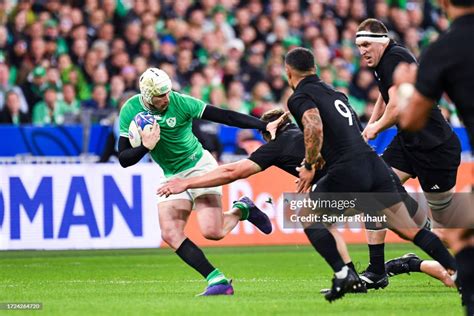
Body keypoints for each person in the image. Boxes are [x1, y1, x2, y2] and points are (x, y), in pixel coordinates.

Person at [157, 107, 454, 289]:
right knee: (413, 226)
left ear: (269, 132)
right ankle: (387, 268)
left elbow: (233, 171)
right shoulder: (309, 132)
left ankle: (371, 271)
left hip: (358, 180)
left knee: (321, 219)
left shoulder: (277, 144)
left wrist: (187, 183)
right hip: (374, 173)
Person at [283, 47, 457, 302]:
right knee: (410, 230)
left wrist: (309, 166)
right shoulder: (336, 93)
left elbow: (313, 124)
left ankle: (345, 275)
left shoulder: (299, 96)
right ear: (315, 69)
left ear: (289, 72)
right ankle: (458, 272)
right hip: (374, 165)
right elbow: (342, 132)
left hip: (348, 169)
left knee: (307, 215)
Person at [118, 67, 285, 296]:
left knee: (212, 231)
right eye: (160, 95)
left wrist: (262, 125)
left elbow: (225, 116)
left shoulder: (182, 102)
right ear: (147, 96)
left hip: (199, 166)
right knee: (170, 233)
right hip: (171, 175)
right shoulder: (130, 110)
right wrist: (145, 147)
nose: (167, 97)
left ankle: (241, 209)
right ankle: (217, 280)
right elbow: (124, 159)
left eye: (168, 92)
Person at [355, 18, 461, 289]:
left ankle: (412, 263)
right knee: (373, 191)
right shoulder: (384, 62)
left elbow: (400, 106)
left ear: (382, 41)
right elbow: (386, 95)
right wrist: (371, 122)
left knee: (443, 232)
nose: (362, 51)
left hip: (435, 148)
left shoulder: (396, 57)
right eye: (358, 46)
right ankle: (377, 270)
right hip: (408, 143)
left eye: (366, 44)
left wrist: (375, 128)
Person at [393, 0, 474, 313]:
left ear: (443, 4)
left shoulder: (443, 49)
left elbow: (412, 121)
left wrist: (403, 86)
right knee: (459, 229)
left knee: (458, 233)